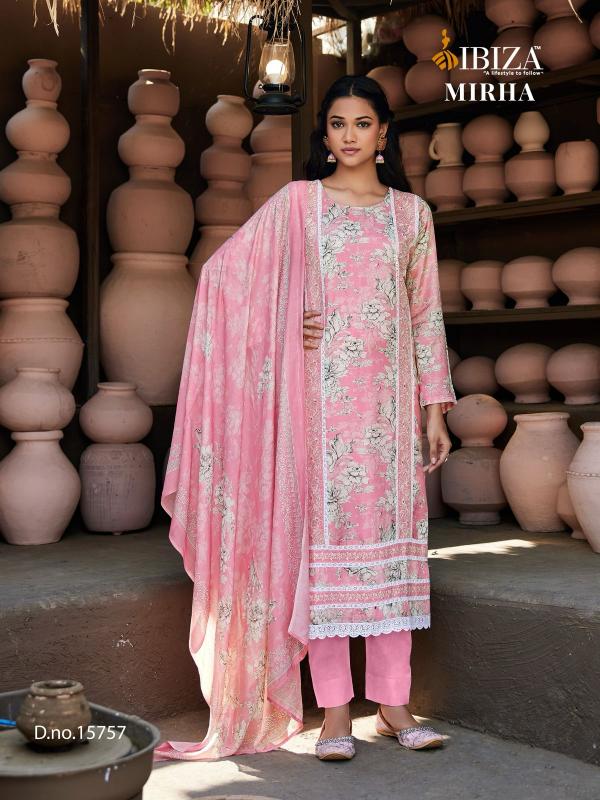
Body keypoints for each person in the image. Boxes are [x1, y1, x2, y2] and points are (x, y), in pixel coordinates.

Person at [154, 75, 456, 764]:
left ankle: (395, 706)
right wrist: (287, 320)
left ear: (384, 135)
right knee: (321, 559)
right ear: (325, 134)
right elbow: (225, 279)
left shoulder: (411, 216)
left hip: (388, 415)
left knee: (391, 557)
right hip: (314, 413)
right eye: (338, 124)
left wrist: (434, 409)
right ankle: (336, 712)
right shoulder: (299, 204)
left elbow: (426, 317)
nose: (349, 136)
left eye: (363, 123)